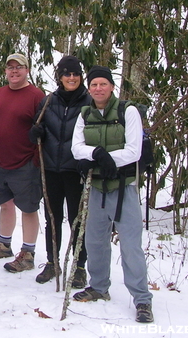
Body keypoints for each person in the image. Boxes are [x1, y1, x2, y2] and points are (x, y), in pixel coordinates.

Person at [70, 65, 154, 323]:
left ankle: (142, 299)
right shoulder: (85, 113)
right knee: (95, 241)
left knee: (130, 245)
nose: (98, 89)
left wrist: (106, 158)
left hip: (124, 185)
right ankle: (98, 286)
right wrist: (95, 155)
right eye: (94, 84)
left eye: (102, 84)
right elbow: (76, 148)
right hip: (96, 187)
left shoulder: (128, 111)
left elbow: (133, 151)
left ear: (112, 86)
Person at [0, 53, 45, 273]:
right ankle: (4, 245)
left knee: (28, 207)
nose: (14, 71)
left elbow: (44, 129)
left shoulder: (36, 96)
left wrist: (35, 159)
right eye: (10, 67)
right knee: (5, 204)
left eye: (19, 67)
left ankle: (28, 253)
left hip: (26, 162)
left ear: (27, 70)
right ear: (5, 71)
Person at [29, 56, 91, 287]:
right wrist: (35, 133)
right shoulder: (49, 101)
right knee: (52, 218)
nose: (71, 78)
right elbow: (40, 125)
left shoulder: (89, 102)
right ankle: (53, 263)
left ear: (81, 76)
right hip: (52, 169)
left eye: (75, 73)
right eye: (67, 74)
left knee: (78, 219)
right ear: (60, 77)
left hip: (76, 170)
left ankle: (79, 266)